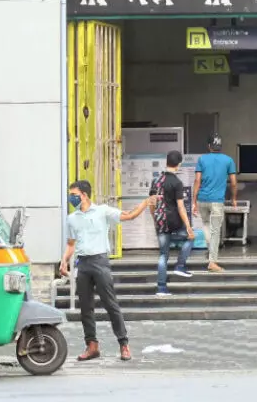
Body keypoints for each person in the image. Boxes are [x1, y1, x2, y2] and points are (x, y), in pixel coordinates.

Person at [59, 179, 152, 362]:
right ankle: (92, 346)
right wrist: (64, 261)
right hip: (83, 264)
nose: (71, 198)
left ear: (84, 195)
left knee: (111, 304)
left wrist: (144, 203)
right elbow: (71, 244)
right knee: (86, 307)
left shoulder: (102, 211)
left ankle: (123, 344)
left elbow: (128, 216)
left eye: (74, 195)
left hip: (100, 261)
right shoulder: (72, 218)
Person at [152, 150, 196, 296]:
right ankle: (180, 265)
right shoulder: (177, 183)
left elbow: (151, 203)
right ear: (179, 165)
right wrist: (189, 227)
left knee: (163, 254)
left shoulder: (156, 181)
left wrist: (155, 218)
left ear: (166, 162)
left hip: (160, 222)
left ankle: (161, 288)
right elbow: (181, 207)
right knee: (190, 238)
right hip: (174, 222)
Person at [193, 134, 238, 272]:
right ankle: (212, 262)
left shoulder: (202, 159)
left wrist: (194, 201)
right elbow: (234, 183)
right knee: (215, 231)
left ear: (209, 146)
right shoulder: (228, 160)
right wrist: (234, 198)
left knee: (206, 225)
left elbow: (197, 181)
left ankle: (210, 246)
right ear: (220, 146)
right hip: (217, 201)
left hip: (202, 199)